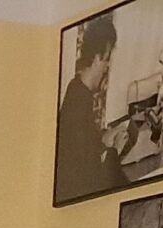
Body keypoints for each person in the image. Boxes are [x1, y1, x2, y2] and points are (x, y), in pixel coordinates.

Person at [55, 16, 119, 202]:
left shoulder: (77, 88)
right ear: (98, 58)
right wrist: (112, 150)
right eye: (107, 59)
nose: (107, 66)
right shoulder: (79, 98)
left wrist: (103, 140)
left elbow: (82, 147)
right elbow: (86, 177)